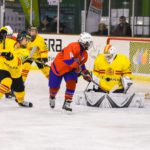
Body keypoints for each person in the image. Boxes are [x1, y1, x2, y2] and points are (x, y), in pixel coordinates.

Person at [49, 32, 93, 111]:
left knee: (72, 82)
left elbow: (81, 65)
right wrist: (77, 68)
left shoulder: (85, 55)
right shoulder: (73, 46)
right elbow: (68, 60)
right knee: (54, 87)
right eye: (88, 43)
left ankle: (67, 102)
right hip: (58, 67)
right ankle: (52, 96)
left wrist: (86, 74)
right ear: (84, 42)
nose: (89, 45)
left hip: (70, 69)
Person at [0, 30, 33, 107]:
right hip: (3, 67)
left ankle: (21, 101)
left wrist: (10, 56)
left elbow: (17, 60)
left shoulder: (25, 52)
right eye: (26, 39)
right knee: (6, 82)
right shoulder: (8, 41)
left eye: (28, 40)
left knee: (20, 90)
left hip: (15, 72)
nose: (27, 42)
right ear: (20, 38)